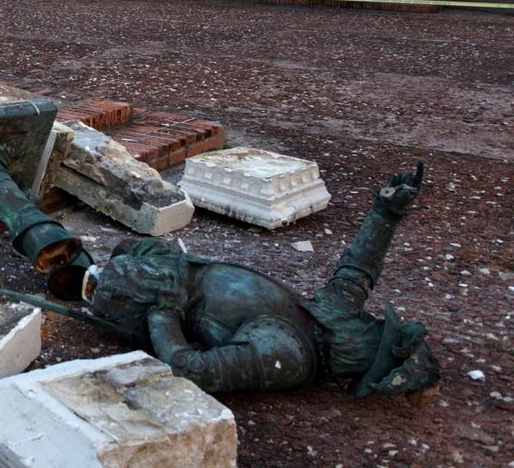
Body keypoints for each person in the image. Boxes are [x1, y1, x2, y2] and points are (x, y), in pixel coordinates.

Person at [82, 163, 440, 397]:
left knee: (107, 275)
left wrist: (165, 309)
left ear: (359, 353)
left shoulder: (287, 353)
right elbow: (358, 270)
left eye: (373, 331)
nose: (368, 319)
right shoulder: (332, 317)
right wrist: (387, 211)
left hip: (157, 295)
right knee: (127, 247)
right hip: (178, 266)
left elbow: (191, 370)